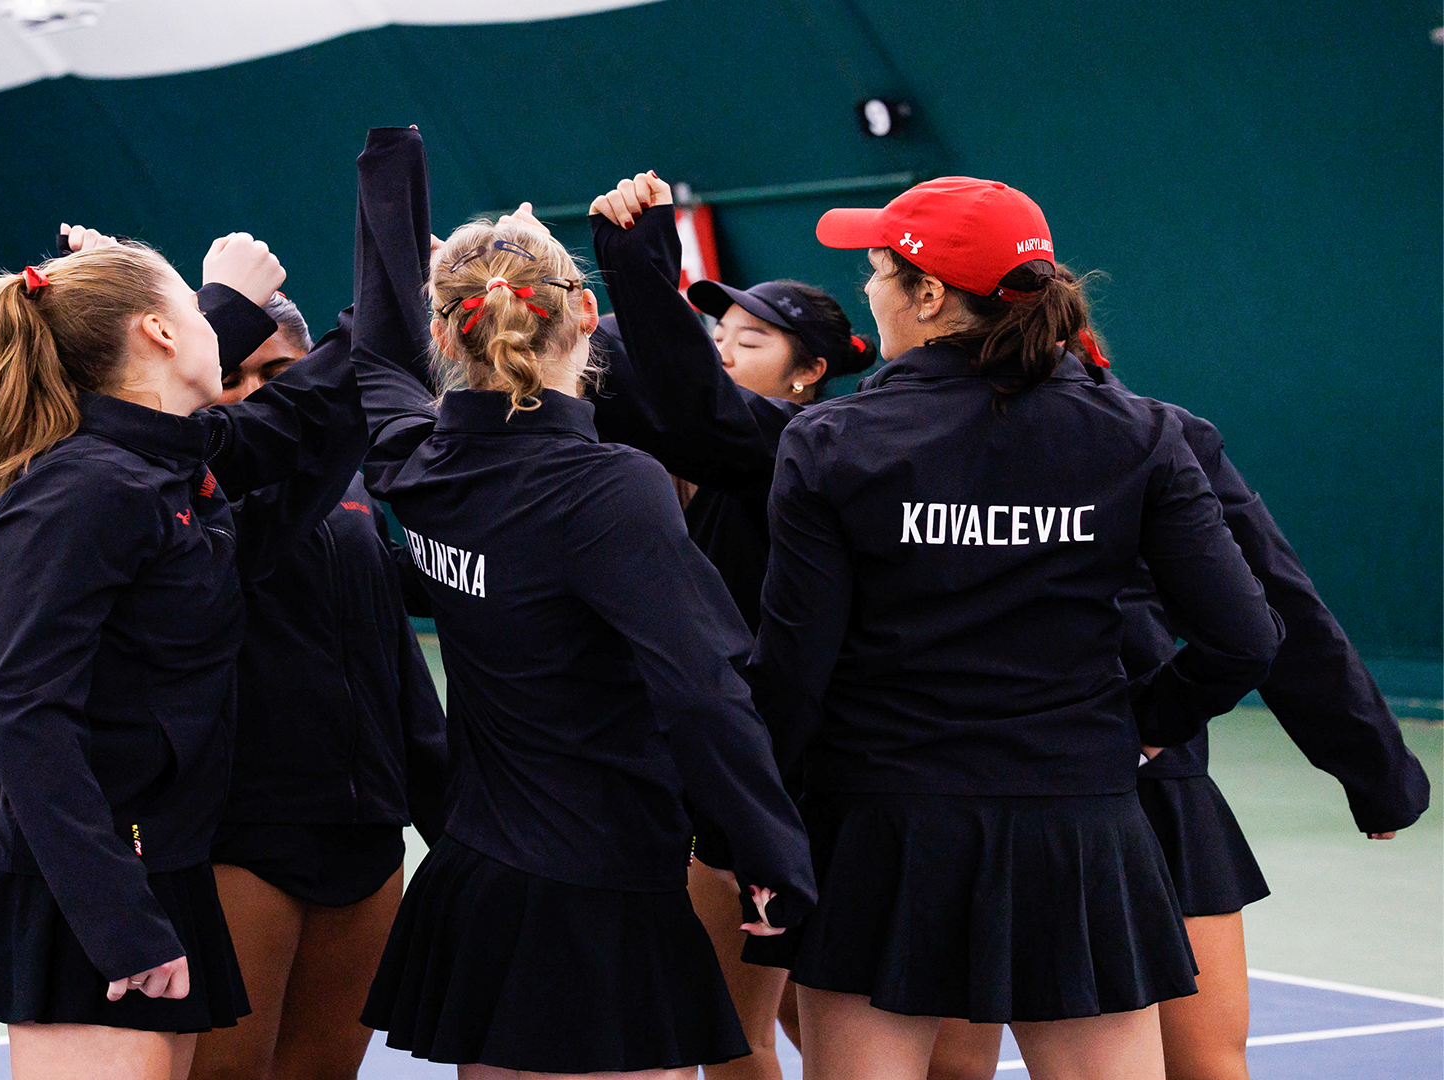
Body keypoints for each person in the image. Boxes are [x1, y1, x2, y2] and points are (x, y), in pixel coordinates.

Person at [748, 175, 1283, 1080]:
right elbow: (1248, 637)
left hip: (885, 824)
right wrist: (1143, 726)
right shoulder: (1143, 434)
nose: (868, 291)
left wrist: (752, 828)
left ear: (926, 294)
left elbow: (794, 671)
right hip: (1079, 825)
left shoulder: (831, 440)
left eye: (877, 269)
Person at [349, 125, 814, 1080]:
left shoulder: (413, 462)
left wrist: (392, 172)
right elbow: (702, 690)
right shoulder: (607, 487)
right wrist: (771, 853)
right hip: (596, 885)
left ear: (448, 331)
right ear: (585, 318)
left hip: (481, 871)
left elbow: (374, 358)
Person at [0, 224, 368, 1080]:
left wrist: (395, 225)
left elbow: (306, 425)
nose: (210, 322)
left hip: (162, 858)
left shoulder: (161, 463)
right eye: (194, 309)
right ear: (158, 332)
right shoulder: (82, 484)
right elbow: (18, 708)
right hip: (92, 881)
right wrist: (114, 917)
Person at [923, 309, 1432, 1080]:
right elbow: (1279, 607)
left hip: (1006, 784)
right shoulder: (1154, 433)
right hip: (1095, 773)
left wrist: (1375, 771)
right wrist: (1377, 774)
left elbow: (1270, 614)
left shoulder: (881, 441)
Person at [584, 181, 874, 1079]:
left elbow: (673, 399)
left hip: (775, 782)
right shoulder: (715, 471)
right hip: (768, 777)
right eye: (717, 338)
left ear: (809, 373)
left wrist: (575, 293)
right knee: (780, 1020)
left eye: (748, 341)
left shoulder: (796, 452)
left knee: (741, 1033)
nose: (720, 353)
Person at [191, 295, 449, 1080]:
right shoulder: (180, 497)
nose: (254, 394)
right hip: (239, 837)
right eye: (230, 377)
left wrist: (446, 818)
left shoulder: (353, 496)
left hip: (367, 836)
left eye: (278, 374)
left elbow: (394, 660)